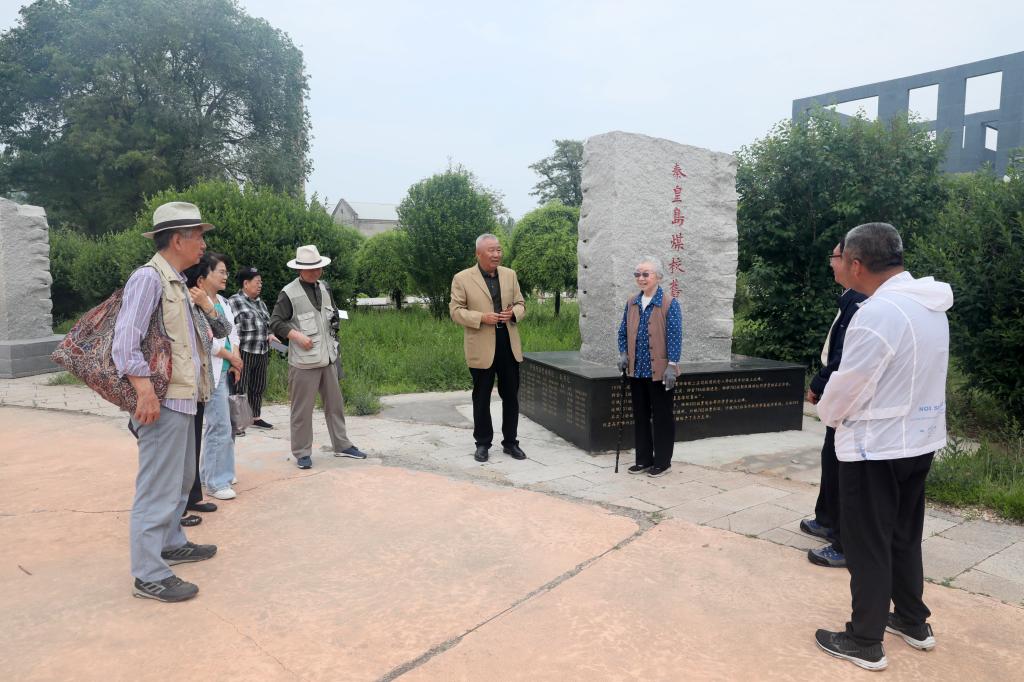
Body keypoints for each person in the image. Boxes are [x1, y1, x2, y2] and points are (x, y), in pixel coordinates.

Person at [814, 222, 952, 671]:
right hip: (919, 439)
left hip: (876, 446)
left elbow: (850, 384)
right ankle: (912, 620)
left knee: (867, 542)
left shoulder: (877, 313)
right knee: (903, 535)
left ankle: (865, 639)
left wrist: (827, 413)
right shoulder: (930, 304)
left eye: (842, 259)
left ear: (857, 264)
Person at [112, 202, 225, 603]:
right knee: (157, 488)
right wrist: (144, 392)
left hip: (183, 399)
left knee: (179, 481)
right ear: (178, 240)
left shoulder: (176, 281)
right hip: (161, 402)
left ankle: (171, 542)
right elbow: (125, 341)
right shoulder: (148, 279)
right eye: (198, 236)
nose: (203, 244)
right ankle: (148, 574)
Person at [269, 244, 369, 469]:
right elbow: (275, 322)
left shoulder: (324, 287)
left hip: (328, 358)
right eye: (311, 268)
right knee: (302, 411)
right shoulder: (288, 293)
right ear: (300, 269)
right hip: (304, 363)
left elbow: (332, 315)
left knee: (335, 405)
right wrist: (296, 336)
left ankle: (342, 445)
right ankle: (302, 452)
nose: (316, 271)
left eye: (318, 267)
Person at [801, 239, 867, 568]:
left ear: (854, 262)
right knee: (831, 458)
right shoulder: (851, 297)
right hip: (842, 395)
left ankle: (843, 540)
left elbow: (845, 357)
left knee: (843, 468)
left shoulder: (863, 303)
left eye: (835, 256)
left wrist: (820, 384)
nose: (831, 263)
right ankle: (827, 519)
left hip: (853, 404)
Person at [449, 234, 528, 463]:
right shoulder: (462, 278)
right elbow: (455, 311)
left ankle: (511, 442)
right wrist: (481, 317)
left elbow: (521, 304)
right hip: (481, 345)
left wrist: (513, 313)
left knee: (511, 396)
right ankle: (482, 443)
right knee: (481, 397)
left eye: (498, 250)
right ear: (478, 254)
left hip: (508, 343)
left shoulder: (510, 274)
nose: (496, 254)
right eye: (491, 251)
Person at [616, 258, 683, 478]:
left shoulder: (669, 303)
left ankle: (663, 462)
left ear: (658, 277)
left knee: (662, 416)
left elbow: (675, 336)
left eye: (646, 274)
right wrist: (623, 353)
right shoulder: (632, 302)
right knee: (640, 415)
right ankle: (643, 459)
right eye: (637, 274)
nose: (641, 278)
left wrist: (672, 365)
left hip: (660, 372)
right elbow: (622, 332)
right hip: (637, 370)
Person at [196, 253, 241, 499]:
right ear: (205, 276)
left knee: (225, 424)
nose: (226, 276)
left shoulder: (223, 301)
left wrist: (236, 359)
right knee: (219, 425)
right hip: (209, 371)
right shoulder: (197, 301)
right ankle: (216, 482)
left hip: (224, 370)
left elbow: (232, 332)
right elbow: (207, 340)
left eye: (226, 272)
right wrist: (230, 357)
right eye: (221, 272)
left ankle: (214, 473)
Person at [228, 266, 276, 430]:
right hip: (244, 351)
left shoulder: (261, 303)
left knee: (258, 385)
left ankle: (255, 417)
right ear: (246, 283)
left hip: (262, 350)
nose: (260, 285)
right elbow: (230, 328)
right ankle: (237, 421)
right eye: (257, 282)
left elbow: (267, 325)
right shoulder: (234, 301)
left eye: (261, 282)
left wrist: (271, 334)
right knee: (239, 386)